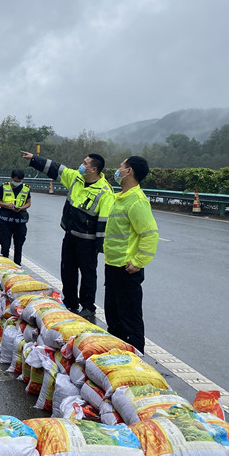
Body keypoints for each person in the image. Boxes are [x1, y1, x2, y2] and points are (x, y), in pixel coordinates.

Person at [21, 150, 113, 319]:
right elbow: (56, 168)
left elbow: (104, 221)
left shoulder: (105, 192)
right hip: (70, 235)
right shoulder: (76, 179)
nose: (81, 165)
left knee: (88, 274)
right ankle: (70, 302)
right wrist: (34, 159)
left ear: (94, 169)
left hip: (88, 241)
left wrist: (99, 247)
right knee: (67, 270)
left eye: (85, 163)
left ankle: (88, 306)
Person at [103, 156, 159, 354]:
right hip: (113, 267)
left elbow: (150, 235)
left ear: (129, 171)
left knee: (129, 319)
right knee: (113, 316)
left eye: (121, 166)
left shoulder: (137, 201)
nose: (117, 170)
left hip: (127, 270)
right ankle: (118, 358)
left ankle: (136, 360)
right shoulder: (121, 198)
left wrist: (138, 262)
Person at [0, 169, 31, 266]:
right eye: (16, 181)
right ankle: (4, 266)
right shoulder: (4, 187)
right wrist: (6, 205)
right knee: (5, 245)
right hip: (6, 221)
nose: (17, 183)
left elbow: (28, 203)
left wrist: (21, 208)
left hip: (20, 221)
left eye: (20, 181)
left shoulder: (26, 188)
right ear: (12, 178)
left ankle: (17, 265)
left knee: (18, 246)